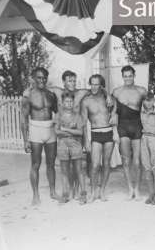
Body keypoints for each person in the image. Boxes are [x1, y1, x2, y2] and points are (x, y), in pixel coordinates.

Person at [20, 67, 60, 205]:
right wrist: (26, 140)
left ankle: (53, 192)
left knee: (51, 164)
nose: (42, 80)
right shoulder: (28, 95)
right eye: (39, 77)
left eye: (44, 78)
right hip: (36, 130)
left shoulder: (51, 94)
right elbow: (23, 119)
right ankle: (35, 196)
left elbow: (58, 111)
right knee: (35, 164)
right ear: (33, 78)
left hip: (50, 131)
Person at [81, 74, 118, 202]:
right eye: (92, 84)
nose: (94, 87)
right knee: (95, 165)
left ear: (101, 85)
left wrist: (113, 114)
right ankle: (93, 192)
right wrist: (86, 141)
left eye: (97, 84)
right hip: (95, 133)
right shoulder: (86, 100)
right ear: (90, 84)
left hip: (108, 132)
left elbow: (115, 106)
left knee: (106, 164)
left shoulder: (107, 98)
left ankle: (102, 191)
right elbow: (84, 124)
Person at [112, 65, 147, 200]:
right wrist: (115, 132)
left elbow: (148, 108)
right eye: (125, 76)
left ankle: (137, 188)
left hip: (137, 126)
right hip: (123, 127)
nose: (128, 78)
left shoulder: (141, 91)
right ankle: (130, 188)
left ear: (134, 75)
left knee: (137, 162)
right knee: (126, 161)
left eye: (130, 76)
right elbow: (113, 112)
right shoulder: (116, 92)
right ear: (122, 77)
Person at [54, 92, 87, 204]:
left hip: (75, 143)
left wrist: (66, 130)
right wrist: (71, 132)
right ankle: (65, 194)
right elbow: (57, 131)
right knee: (64, 171)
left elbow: (80, 132)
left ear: (74, 103)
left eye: (71, 102)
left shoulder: (77, 116)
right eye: (66, 102)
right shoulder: (58, 115)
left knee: (79, 169)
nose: (69, 104)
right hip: (62, 143)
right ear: (62, 103)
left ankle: (83, 194)